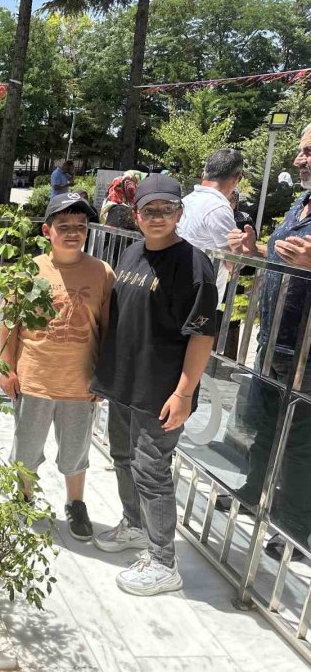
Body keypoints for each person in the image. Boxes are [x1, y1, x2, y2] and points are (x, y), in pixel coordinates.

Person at [91, 174, 218, 596]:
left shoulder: (195, 265)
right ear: (137, 215)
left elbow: (202, 335)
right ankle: (133, 523)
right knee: (123, 457)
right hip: (124, 383)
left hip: (161, 392)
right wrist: (102, 377)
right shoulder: (130, 254)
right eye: (150, 210)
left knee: (152, 470)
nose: (158, 216)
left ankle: (164, 560)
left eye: (167, 209)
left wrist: (184, 392)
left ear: (180, 213)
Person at [219, 124, 311, 560]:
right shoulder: (302, 202)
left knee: (301, 442)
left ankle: (292, 527)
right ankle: (253, 492)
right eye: (299, 151)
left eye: (308, 151)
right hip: (276, 341)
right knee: (267, 426)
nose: (298, 159)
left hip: (308, 354)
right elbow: (284, 260)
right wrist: (255, 251)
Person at [0, 193, 115, 542]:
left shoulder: (102, 273)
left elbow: (108, 331)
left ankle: (76, 503)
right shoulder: (29, 271)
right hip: (35, 379)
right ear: (47, 230)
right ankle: (23, 497)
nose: (72, 233)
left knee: (76, 451)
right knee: (27, 447)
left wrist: (104, 379)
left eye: (80, 227)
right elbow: (10, 324)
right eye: (63, 226)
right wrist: (7, 368)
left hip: (80, 385)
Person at [177, 148, 244, 299]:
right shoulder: (218, 207)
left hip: (177, 288)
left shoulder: (187, 200)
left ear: (204, 173)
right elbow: (232, 264)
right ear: (237, 178)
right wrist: (242, 249)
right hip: (198, 301)